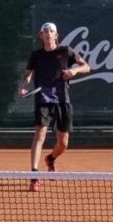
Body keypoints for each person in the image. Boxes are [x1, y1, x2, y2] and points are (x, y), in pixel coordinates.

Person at [19, 22, 91, 191]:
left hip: (62, 100)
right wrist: (22, 86)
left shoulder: (66, 51)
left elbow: (86, 66)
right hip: (43, 99)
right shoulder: (36, 55)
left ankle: (50, 159)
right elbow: (27, 76)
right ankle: (34, 176)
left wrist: (74, 71)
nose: (48, 33)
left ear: (56, 35)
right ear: (41, 36)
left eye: (51, 31)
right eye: (45, 31)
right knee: (39, 135)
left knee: (63, 144)